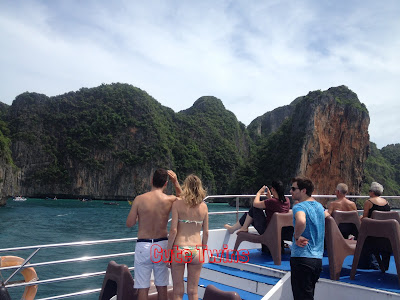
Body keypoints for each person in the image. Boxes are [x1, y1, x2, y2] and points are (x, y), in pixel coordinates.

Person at [126, 169, 182, 300]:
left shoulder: (139, 199)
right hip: (161, 245)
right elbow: (183, 199)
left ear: (151, 180)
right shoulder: (170, 200)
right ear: (166, 183)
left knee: (142, 288)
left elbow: (129, 223)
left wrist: (141, 216)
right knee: (162, 286)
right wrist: (176, 182)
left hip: (143, 246)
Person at [166, 174, 209, 300]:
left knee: (178, 291)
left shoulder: (177, 204)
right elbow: (206, 233)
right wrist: (204, 251)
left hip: (179, 249)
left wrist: (168, 253)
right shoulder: (204, 207)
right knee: (193, 292)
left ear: (186, 187)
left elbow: (173, 230)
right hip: (197, 251)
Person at [290, 177, 328, 300]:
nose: (291, 191)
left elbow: (301, 221)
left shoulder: (299, 207)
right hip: (317, 260)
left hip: (302, 257)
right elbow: (328, 217)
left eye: (294, 188)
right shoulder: (319, 207)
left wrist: (296, 236)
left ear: (303, 191)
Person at [224, 181, 290, 236]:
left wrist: (259, 193)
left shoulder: (272, 202)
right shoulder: (287, 201)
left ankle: (243, 228)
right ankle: (234, 228)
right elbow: (276, 206)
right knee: (249, 215)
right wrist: (269, 197)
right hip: (279, 230)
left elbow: (255, 204)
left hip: (267, 230)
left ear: (273, 189)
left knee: (254, 208)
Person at [358, 181, 391, 270]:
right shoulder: (386, 202)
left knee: (363, 235)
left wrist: (360, 217)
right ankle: (383, 264)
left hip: (372, 233)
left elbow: (365, 219)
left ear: (372, 192)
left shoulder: (368, 202)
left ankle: (368, 262)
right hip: (385, 233)